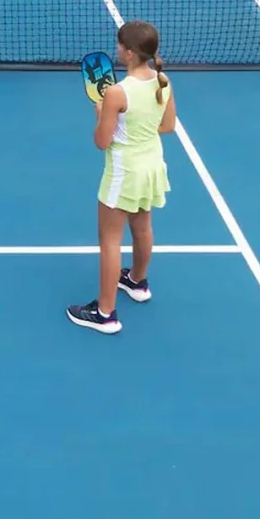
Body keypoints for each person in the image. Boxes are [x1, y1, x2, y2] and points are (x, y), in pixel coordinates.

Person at [68, 20, 174, 334]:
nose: (117, 49)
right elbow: (167, 126)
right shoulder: (163, 80)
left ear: (128, 53)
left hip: (123, 173)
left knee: (110, 241)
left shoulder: (116, 93)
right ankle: (138, 282)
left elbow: (102, 141)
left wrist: (101, 112)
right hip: (152, 166)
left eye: (119, 45)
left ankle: (105, 313)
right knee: (142, 227)